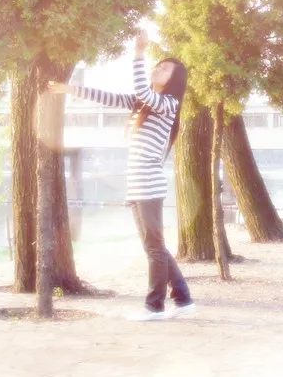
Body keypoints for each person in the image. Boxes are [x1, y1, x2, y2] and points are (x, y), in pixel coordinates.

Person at [48, 30, 195, 321]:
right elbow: (109, 97)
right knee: (155, 247)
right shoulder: (143, 104)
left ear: (174, 80)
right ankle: (183, 300)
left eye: (165, 68)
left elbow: (142, 91)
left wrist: (138, 54)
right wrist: (69, 90)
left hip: (149, 185)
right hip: (139, 185)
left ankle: (154, 307)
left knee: (154, 249)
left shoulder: (168, 104)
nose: (157, 69)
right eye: (157, 65)